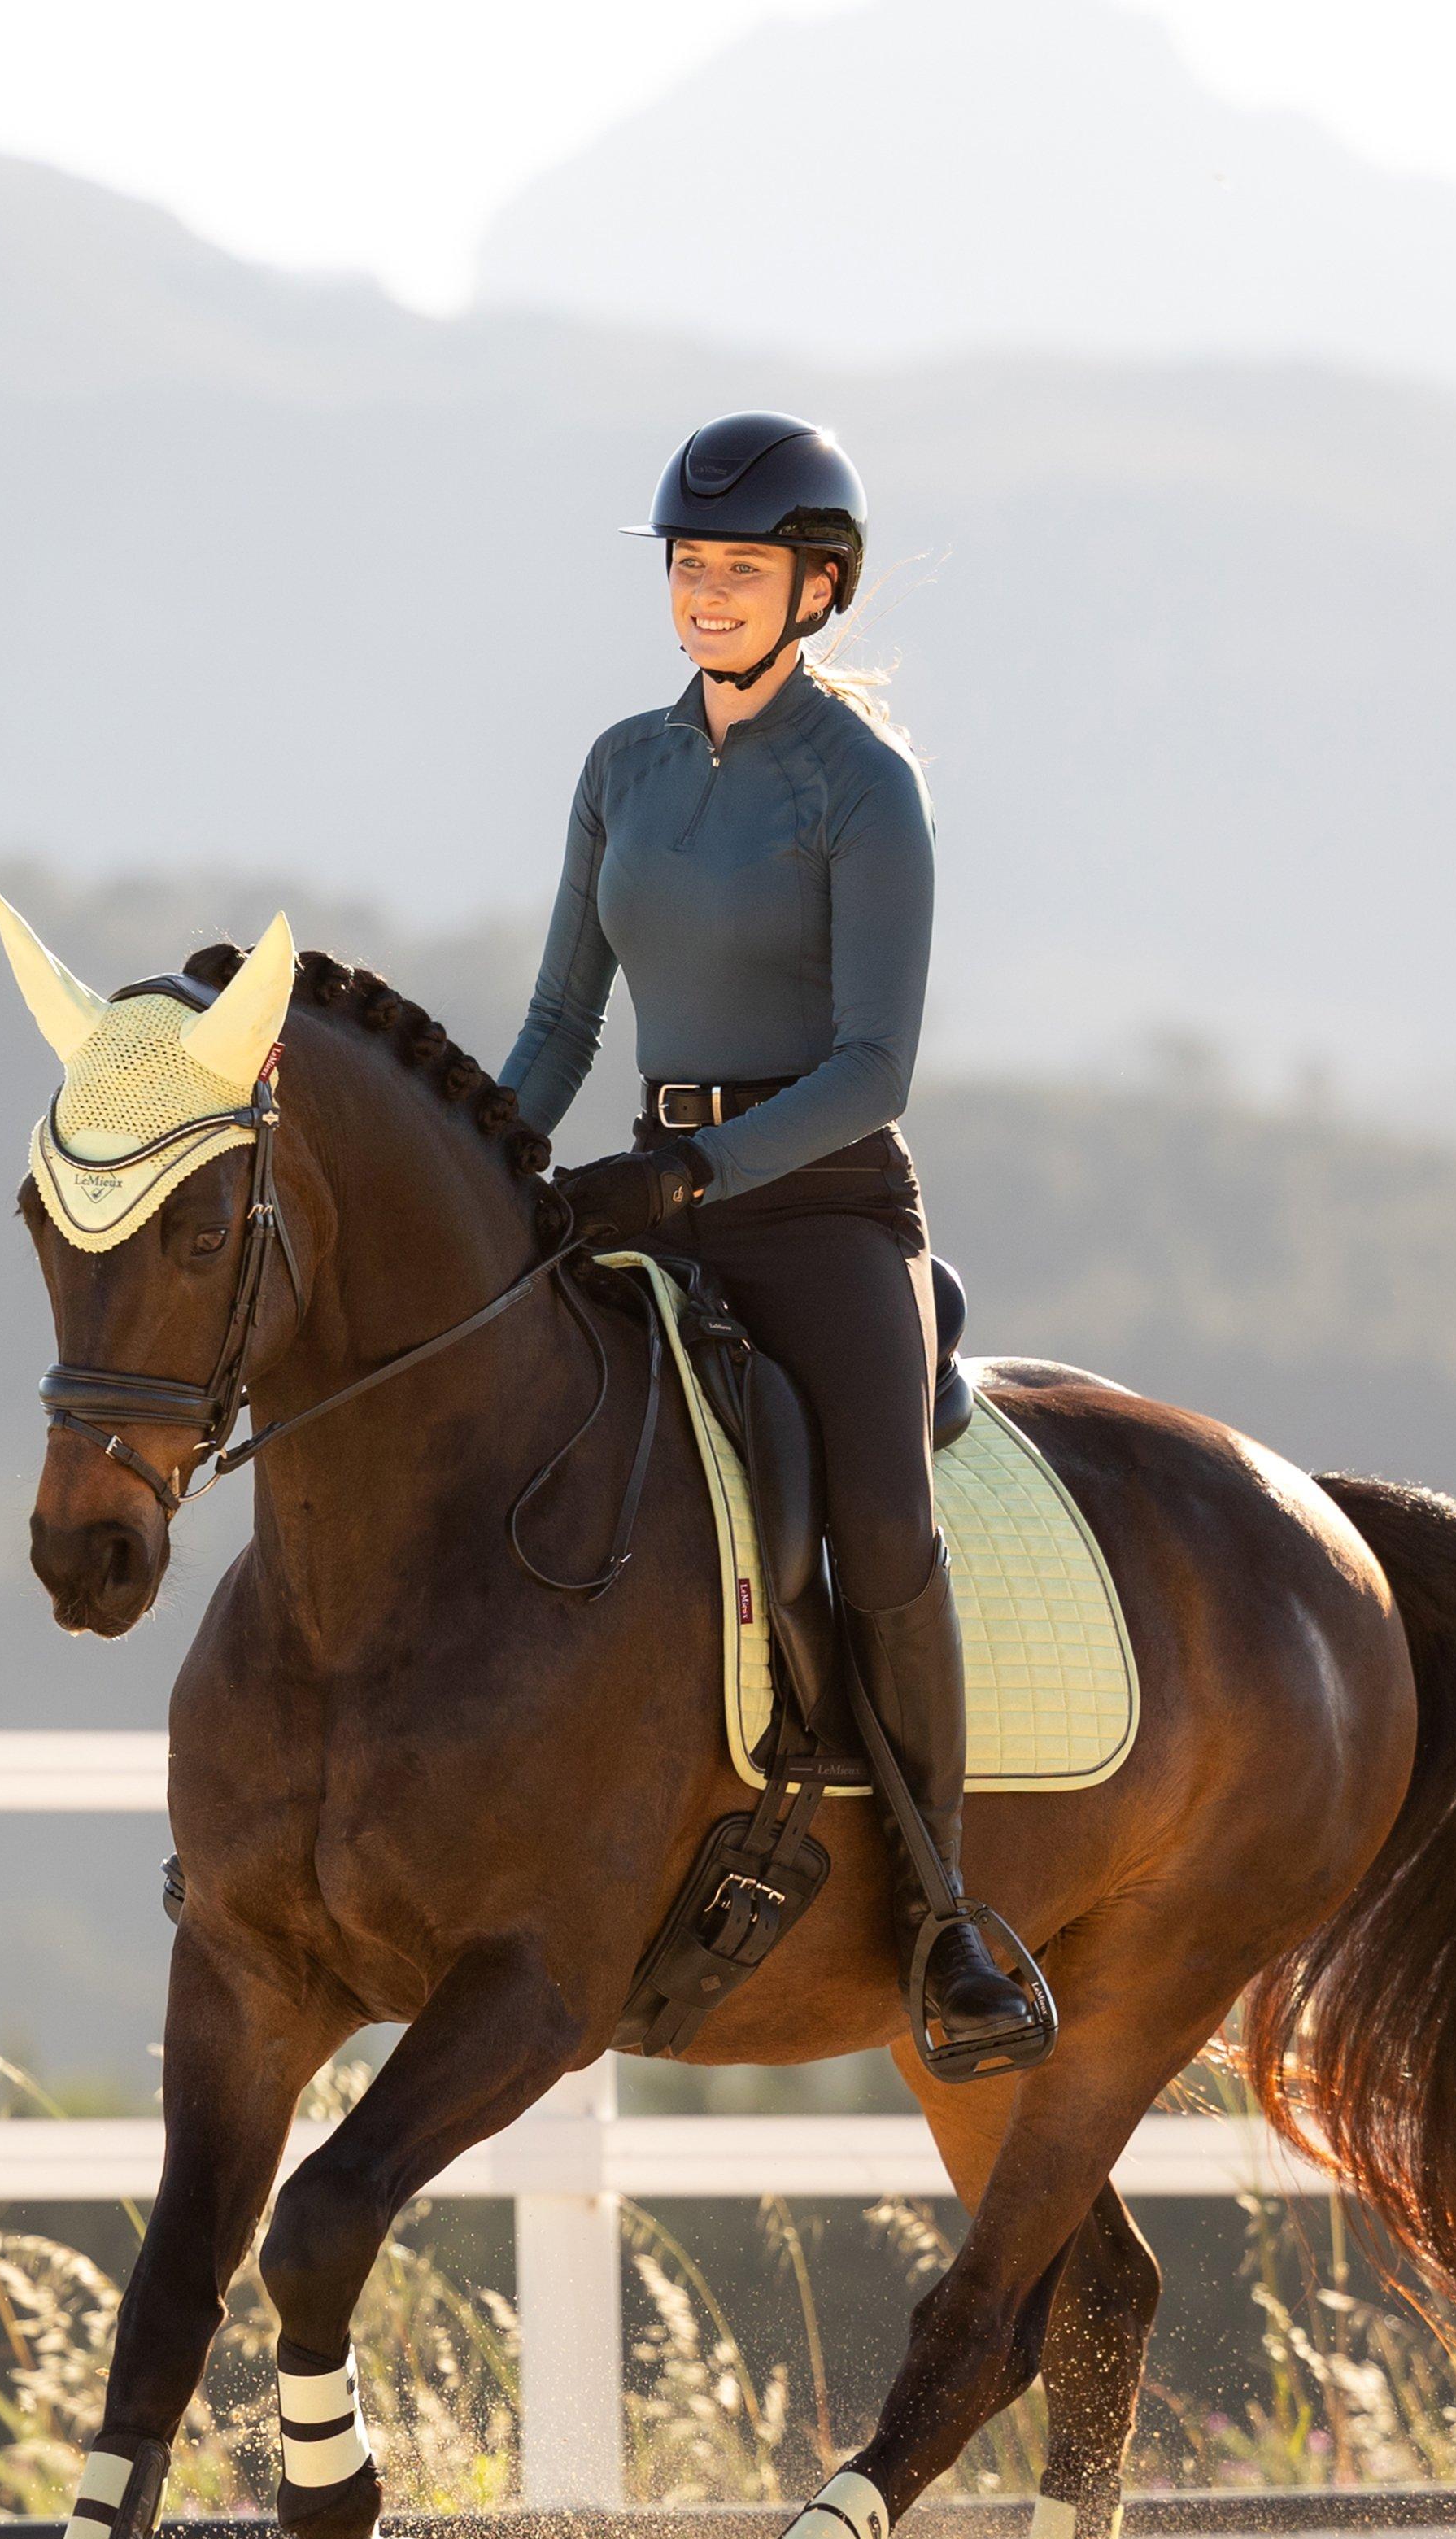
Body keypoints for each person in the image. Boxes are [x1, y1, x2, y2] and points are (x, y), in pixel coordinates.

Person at [499, 408, 1045, 2067]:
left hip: (819, 1209)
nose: (705, 591)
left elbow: (874, 1066)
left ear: (819, 587)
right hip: (648, 1190)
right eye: (687, 562)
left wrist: (693, 1175)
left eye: (741, 567)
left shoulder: (863, 788)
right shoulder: (623, 767)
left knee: (875, 1522)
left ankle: (948, 1915)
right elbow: (558, 1024)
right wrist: (489, 1162)